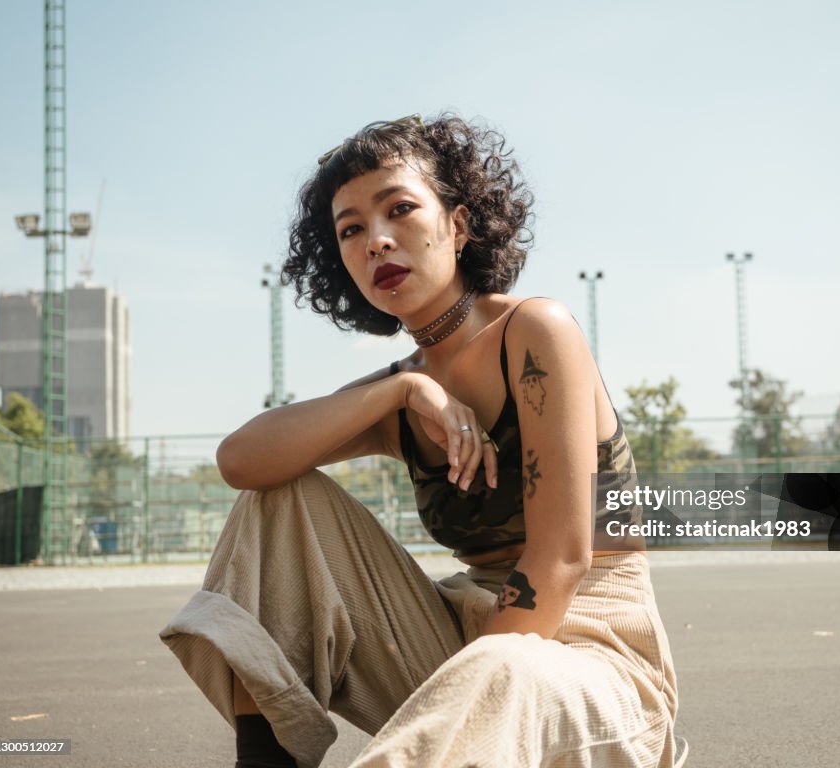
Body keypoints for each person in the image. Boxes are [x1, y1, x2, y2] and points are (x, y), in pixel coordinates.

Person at [160, 114, 680, 767]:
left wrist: (468, 696)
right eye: (350, 230)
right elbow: (241, 461)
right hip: (462, 640)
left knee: (504, 668)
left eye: (399, 209)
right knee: (277, 500)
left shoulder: (536, 331)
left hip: (587, 657)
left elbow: (563, 560)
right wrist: (400, 392)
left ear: (458, 225)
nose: (375, 241)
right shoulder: (404, 395)